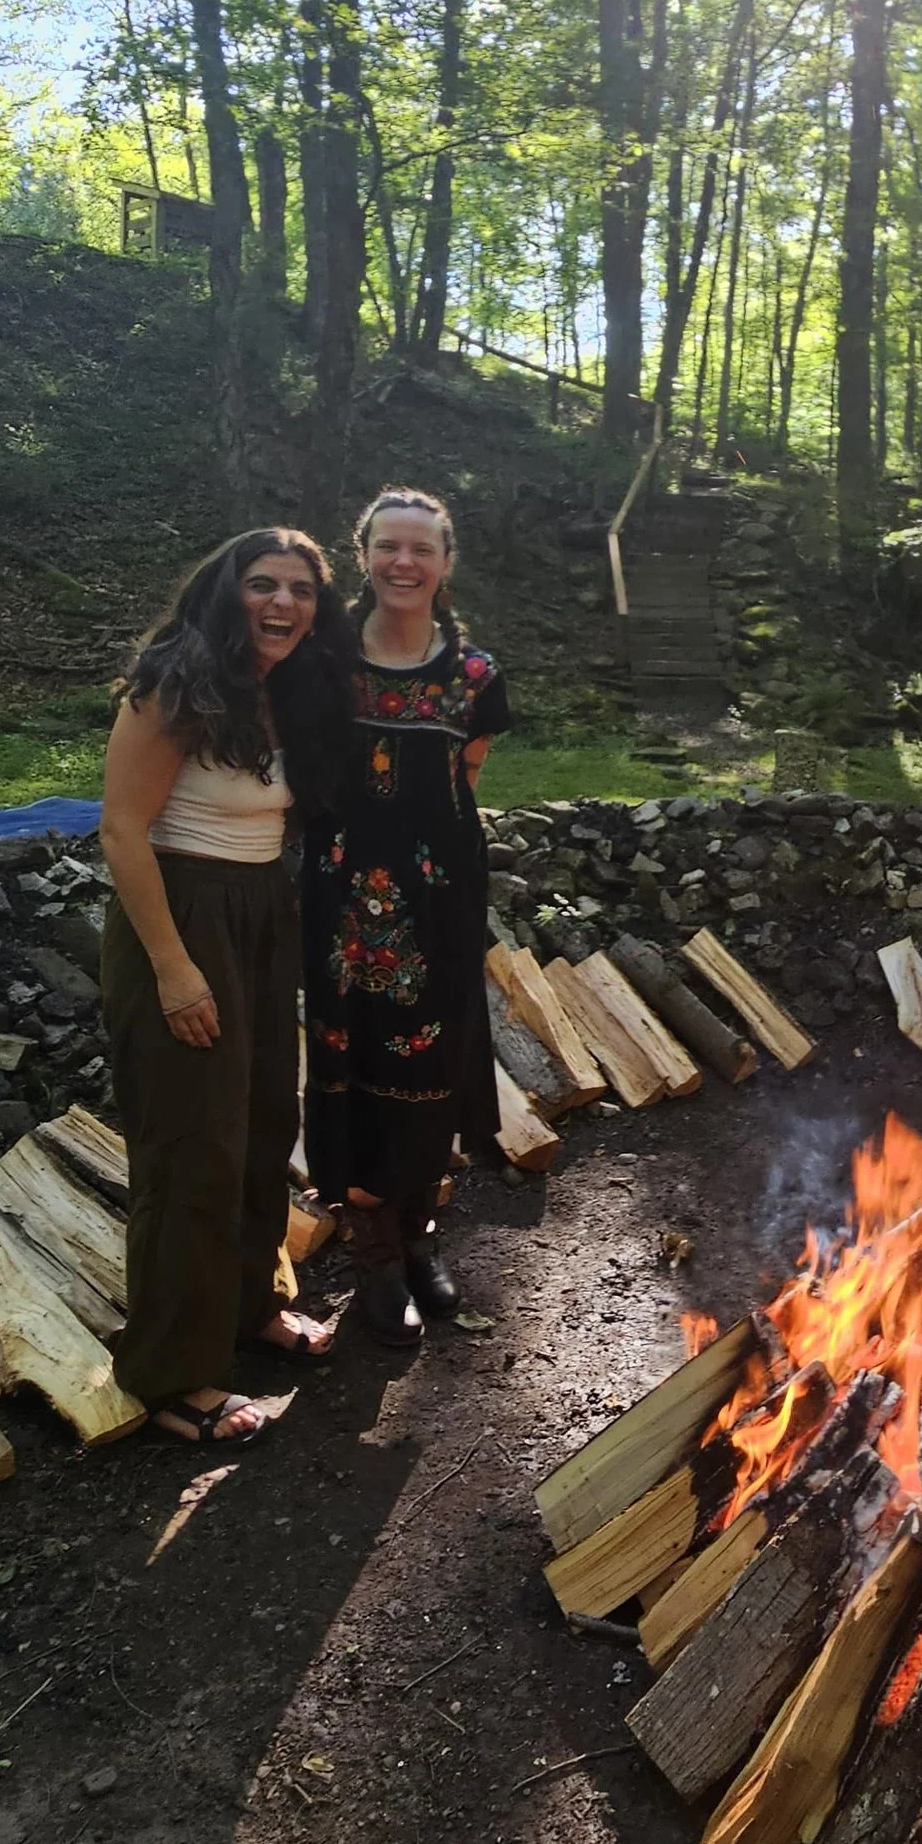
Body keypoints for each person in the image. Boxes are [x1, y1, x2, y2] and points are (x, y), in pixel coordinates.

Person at [98, 527, 355, 1445]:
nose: (283, 603)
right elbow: (123, 829)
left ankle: (250, 1308)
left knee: (258, 1127)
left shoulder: (282, 691)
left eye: (300, 589)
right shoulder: (176, 680)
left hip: (259, 910)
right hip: (182, 912)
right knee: (191, 1144)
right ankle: (172, 1373)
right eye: (262, 584)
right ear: (224, 591)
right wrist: (173, 969)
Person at [303, 486, 512, 1347]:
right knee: (353, 1081)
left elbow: (466, 783)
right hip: (344, 909)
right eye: (388, 546)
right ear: (362, 554)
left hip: (439, 910)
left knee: (430, 1080)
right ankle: (373, 1256)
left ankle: (420, 1237)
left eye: (421, 549)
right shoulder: (322, 661)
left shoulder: (474, 676)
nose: (403, 562)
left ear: (445, 562)